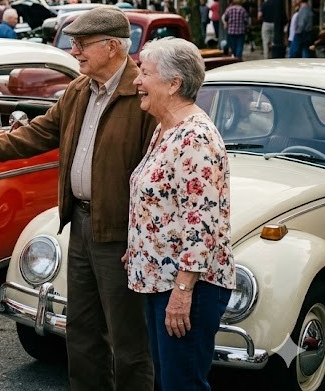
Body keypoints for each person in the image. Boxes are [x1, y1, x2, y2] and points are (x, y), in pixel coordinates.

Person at [0, 6, 156, 391]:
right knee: (81, 331)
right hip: (80, 224)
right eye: (72, 43)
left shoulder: (141, 92)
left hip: (122, 235)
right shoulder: (79, 89)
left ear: (112, 47)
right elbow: (42, 131)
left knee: (128, 339)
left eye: (81, 44)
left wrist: (142, 238)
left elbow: (155, 176)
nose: (73, 51)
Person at [127, 37, 234, 391]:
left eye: (144, 73)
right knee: (169, 380)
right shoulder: (166, 127)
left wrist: (183, 291)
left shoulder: (195, 138)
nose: (137, 81)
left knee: (182, 383)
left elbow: (201, 221)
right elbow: (163, 202)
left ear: (173, 84)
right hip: (162, 279)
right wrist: (138, 244)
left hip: (189, 286)